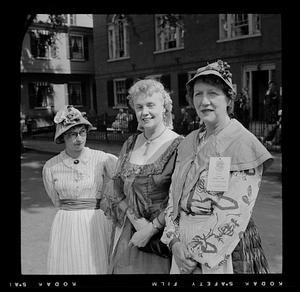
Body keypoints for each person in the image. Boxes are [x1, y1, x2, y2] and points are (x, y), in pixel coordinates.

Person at [161, 60, 273, 274]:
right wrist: (174, 241)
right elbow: (173, 197)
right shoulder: (188, 142)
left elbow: (235, 211)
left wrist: (195, 254)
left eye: (212, 93)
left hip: (222, 251)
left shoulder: (243, 142)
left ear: (229, 98)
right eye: (198, 94)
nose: (204, 101)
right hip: (180, 246)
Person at [105, 79, 184, 274]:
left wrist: (150, 230)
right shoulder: (131, 143)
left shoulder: (180, 145)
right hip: (131, 233)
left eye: (150, 105)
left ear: (164, 107)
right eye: (139, 107)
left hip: (163, 239)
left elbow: (181, 198)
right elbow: (116, 187)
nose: (144, 112)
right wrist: (136, 222)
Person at [42, 105, 117, 274]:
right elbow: (56, 200)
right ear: (63, 137)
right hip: (67, 222)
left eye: (82, 132)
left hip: (95, 221)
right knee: (71, 266)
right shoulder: (51, 167)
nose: (78, 138)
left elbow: (120, 183)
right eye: (72, 134)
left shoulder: (102, 159)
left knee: (96, 265)